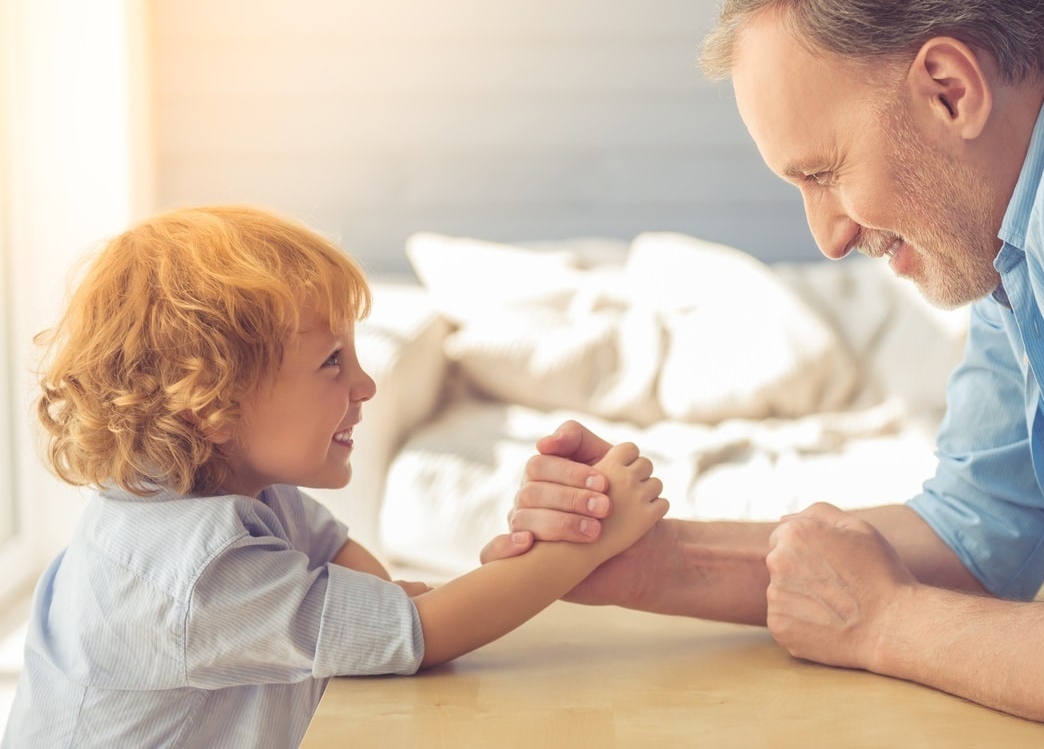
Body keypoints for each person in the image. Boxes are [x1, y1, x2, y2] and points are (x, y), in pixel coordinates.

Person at [480, 0, 1044, 744]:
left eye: (823, 173)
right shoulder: (1015, 221)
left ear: (947, 88)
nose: (826, 235)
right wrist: (652, 562)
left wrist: (888, 626)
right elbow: (979, 533)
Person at [1, 205, 668, 749]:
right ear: (211, 403)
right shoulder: (196, 568)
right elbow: (416, 635)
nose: (366, 383)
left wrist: (487, 585)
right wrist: (585, 543)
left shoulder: (244, 492)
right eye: (331, 361)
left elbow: (376, 598)